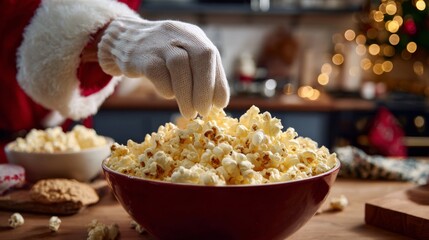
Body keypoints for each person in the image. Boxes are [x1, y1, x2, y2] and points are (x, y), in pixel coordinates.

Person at [0, 0, 230, 163]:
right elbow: (24, 25)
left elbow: (102, 72)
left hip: (71, 145)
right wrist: (116, 35)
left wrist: (131, 65)